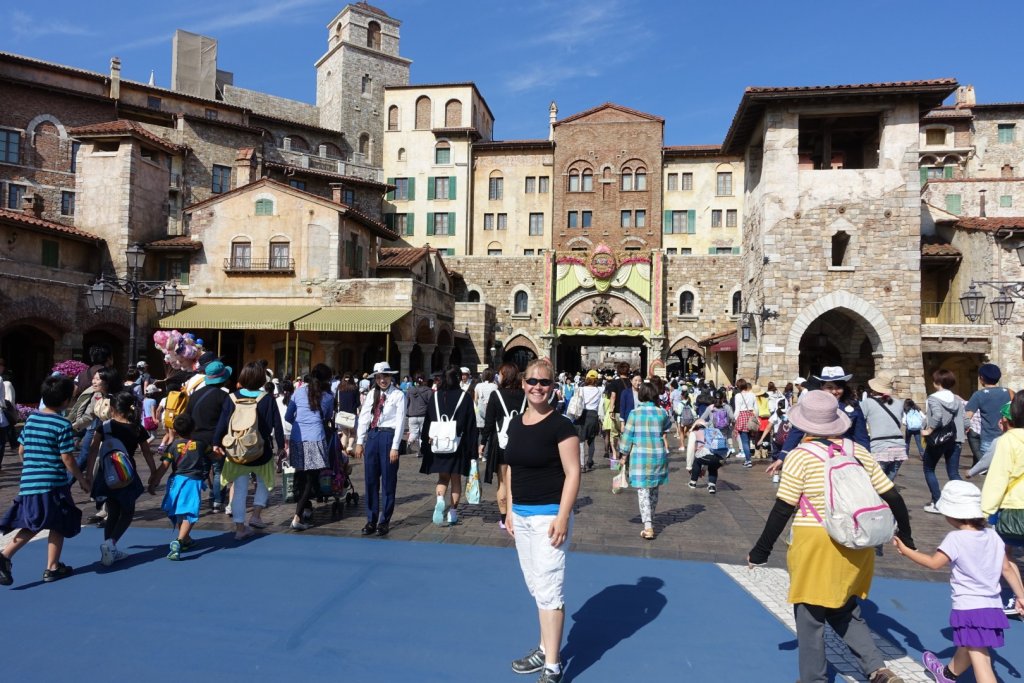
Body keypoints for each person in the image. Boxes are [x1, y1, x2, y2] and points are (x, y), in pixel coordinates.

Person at [748, 390, 915, 683]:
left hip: (816, 540)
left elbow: (783, 508)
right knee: (845, 606)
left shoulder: (799, 456)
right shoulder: (857, 450)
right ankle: (878, 669)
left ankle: (814, 678)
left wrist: (760, 551)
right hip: (857, 538)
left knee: (810, 614)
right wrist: (907, 534)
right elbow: (892, 495)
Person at [894, 480, 1024, 683]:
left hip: (969, 608)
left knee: (981, 660)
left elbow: (933, 563)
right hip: (992, 608)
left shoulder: (955, 539)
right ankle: (947, 675)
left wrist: (906, 551)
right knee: (971, 645)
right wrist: (1021, 595)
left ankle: (948, 675)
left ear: (951, 514)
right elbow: (1006, 568)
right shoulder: (993, 535)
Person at [503, 358, 580, 683]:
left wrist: (562, 517)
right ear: (523, 383)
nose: (537, 387)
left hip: (548, 517)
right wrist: (507, 506)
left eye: (544, 382)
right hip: (520, 516)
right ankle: (543, 646)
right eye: (532, 381)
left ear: (553, 387)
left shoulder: (561, 426)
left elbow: (573, 473)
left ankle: (552, 665)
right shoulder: (516, 423)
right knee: (536, 586)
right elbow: (510, 467)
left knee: (549, 590)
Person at [0, 375, 88, 586]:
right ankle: (6, 555)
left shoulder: (31, 420)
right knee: (42, 523)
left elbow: (21, 449)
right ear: (67, 401)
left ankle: (53, 566)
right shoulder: (62, 424)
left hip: (31, 481)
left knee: (54, 521)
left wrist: (31, 467)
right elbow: (67, 457)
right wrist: (82, 479)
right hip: (52, 484)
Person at [214, 361, 284, 540]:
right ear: (261, 378)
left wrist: (216, 443)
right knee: (263, 483)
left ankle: (239, 528)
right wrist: (282, 446)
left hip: (236, 451)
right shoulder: (267, 399)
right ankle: (256, 515)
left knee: (239, 490)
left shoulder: (232, 397)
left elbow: (222, 423)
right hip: (261, 450)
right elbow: (277, 424)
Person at [86, 390, 157, 566]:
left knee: (112, 511)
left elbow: (93, 449)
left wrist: (88, 473)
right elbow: (146, 452)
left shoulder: (105, 427)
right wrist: (153, 472)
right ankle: (110, 544)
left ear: (111, 408)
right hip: (126, 473)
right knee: (127, 512)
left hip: (106, 472)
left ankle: (109, 548)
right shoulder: (136, 428)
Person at [767, 366, 870, 477]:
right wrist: (782, 458)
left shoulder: (853, 407)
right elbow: (796, 432)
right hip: (817, 457)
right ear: (821, 387)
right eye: (830, 387)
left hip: (844, 458)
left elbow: (861, 438)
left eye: (838, 387)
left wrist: (866, 462)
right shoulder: (812, 405)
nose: (835, 392)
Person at [980, 391, 1024, 617]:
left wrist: (986, 511)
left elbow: (998, 477)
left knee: (1003, 556)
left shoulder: (1009, 440)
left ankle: (1020, 598)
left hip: (1016, 508)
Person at [421, 365, 477, 527]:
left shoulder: (436, 396)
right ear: (458, 378)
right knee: (456, 479)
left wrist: (426, 441)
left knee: (442, 477)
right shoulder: (464, 397)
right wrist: (473, 449)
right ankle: (452, 512)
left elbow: (428, 420)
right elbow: (470, 424)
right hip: (458, 444)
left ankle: (440, 499)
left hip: (439, 443)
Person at [354, 362, 406, 537]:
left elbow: (400, 422)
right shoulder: (371, 394)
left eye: (385, 376)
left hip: (388, 436)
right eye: (378, 377)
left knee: (388, 481)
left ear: (391, 377)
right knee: (370, 480)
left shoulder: (398, 395)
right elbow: (363, 417)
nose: (382, 380)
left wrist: (395, 447)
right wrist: (360, 441)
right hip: (373, 435)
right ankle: (371, 519)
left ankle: (384, 521)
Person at [148, 414, 209, 560]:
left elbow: (164, 467)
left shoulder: (172, 446)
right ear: (193, 428)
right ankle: (179, 541)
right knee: (190, 513)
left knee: (180, 511)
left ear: (174, 430)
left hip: (175, 481)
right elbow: (214, 455)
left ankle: (186, 539)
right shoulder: (201, 444)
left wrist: (154, 482)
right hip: (192, 481)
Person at [618, 381, 672, 539]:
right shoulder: (661, 413)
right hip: (658, 455)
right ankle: (651, 517)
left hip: (640, 456)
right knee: (654, 488)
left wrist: (623, 455)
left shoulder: (634, 413)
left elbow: (627, 437)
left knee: (643, 491)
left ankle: (648, 525)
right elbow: (666, 427)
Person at [285, 363, 335, 531]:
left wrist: (300, 424)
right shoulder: (327, 397)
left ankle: (305, 509)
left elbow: (288, 416)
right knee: (311, 479)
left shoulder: (298, 392)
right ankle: (298, 516)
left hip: (298, 438)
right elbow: (327, 417)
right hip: (315, 438)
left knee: (301, 475)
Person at [481, 362, 524, 530]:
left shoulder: (496, 395)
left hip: (501, 443)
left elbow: (489, 423)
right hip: (522, 443)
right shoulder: (525, 395)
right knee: (519, 480)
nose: (497, 377)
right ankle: (517, 514)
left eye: (499, 374)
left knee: (502, 481)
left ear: (505, 376)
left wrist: (483, 442)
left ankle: (504, 518)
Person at [185, 360, 232, 513]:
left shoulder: (195, 395)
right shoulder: (224, 396)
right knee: (219, 471)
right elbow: (227, 420)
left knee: (200, 471)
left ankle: (194, 501)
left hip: (197, 439)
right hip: (216, 440)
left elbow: (187, 417)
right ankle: (218, 502)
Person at [922, 369, 966, 514]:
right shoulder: (957, 399)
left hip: (938, 439)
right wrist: (962, 430)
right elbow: (966, 421)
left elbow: (938, 415)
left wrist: (929, 430)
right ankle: (963, 502)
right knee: (953, 472)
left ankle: (937, 502)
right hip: (955, 439)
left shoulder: (934, 398)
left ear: (938, 382)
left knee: (929, 469)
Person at [861, 374, 906, 481]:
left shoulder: (867, 403)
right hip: (899, 447)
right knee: (889, 484)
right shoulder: (899, 403)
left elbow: (860, 422)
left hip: (879, 447)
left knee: (877, 483)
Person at [573, 370, 603, 471]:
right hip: (593, 416)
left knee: (580, 441)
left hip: (582, 415)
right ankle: (589, 461)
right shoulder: (600, 390)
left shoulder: (580, 389)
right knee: (591, 440)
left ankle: (582, 465)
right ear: (596, 380)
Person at [733, 379, 758, 467]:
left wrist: (735, 419)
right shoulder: (752, 395)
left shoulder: (738, 396)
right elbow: (756, 408)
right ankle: (748, 459)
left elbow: (737, 409)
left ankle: (748, 460)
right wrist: (756, 418)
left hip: (742, 417)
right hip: (751, 416)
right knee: (749, 439)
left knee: (744, 441)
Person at [405, 375, 432, 457]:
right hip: (423, 415)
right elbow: (431, 403)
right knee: (423, 435)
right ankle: (420, 451)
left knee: (413, 433)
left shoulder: (410, 390)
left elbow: (407, 401)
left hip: (412, 415)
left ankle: (409, 442)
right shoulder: (428, 390)